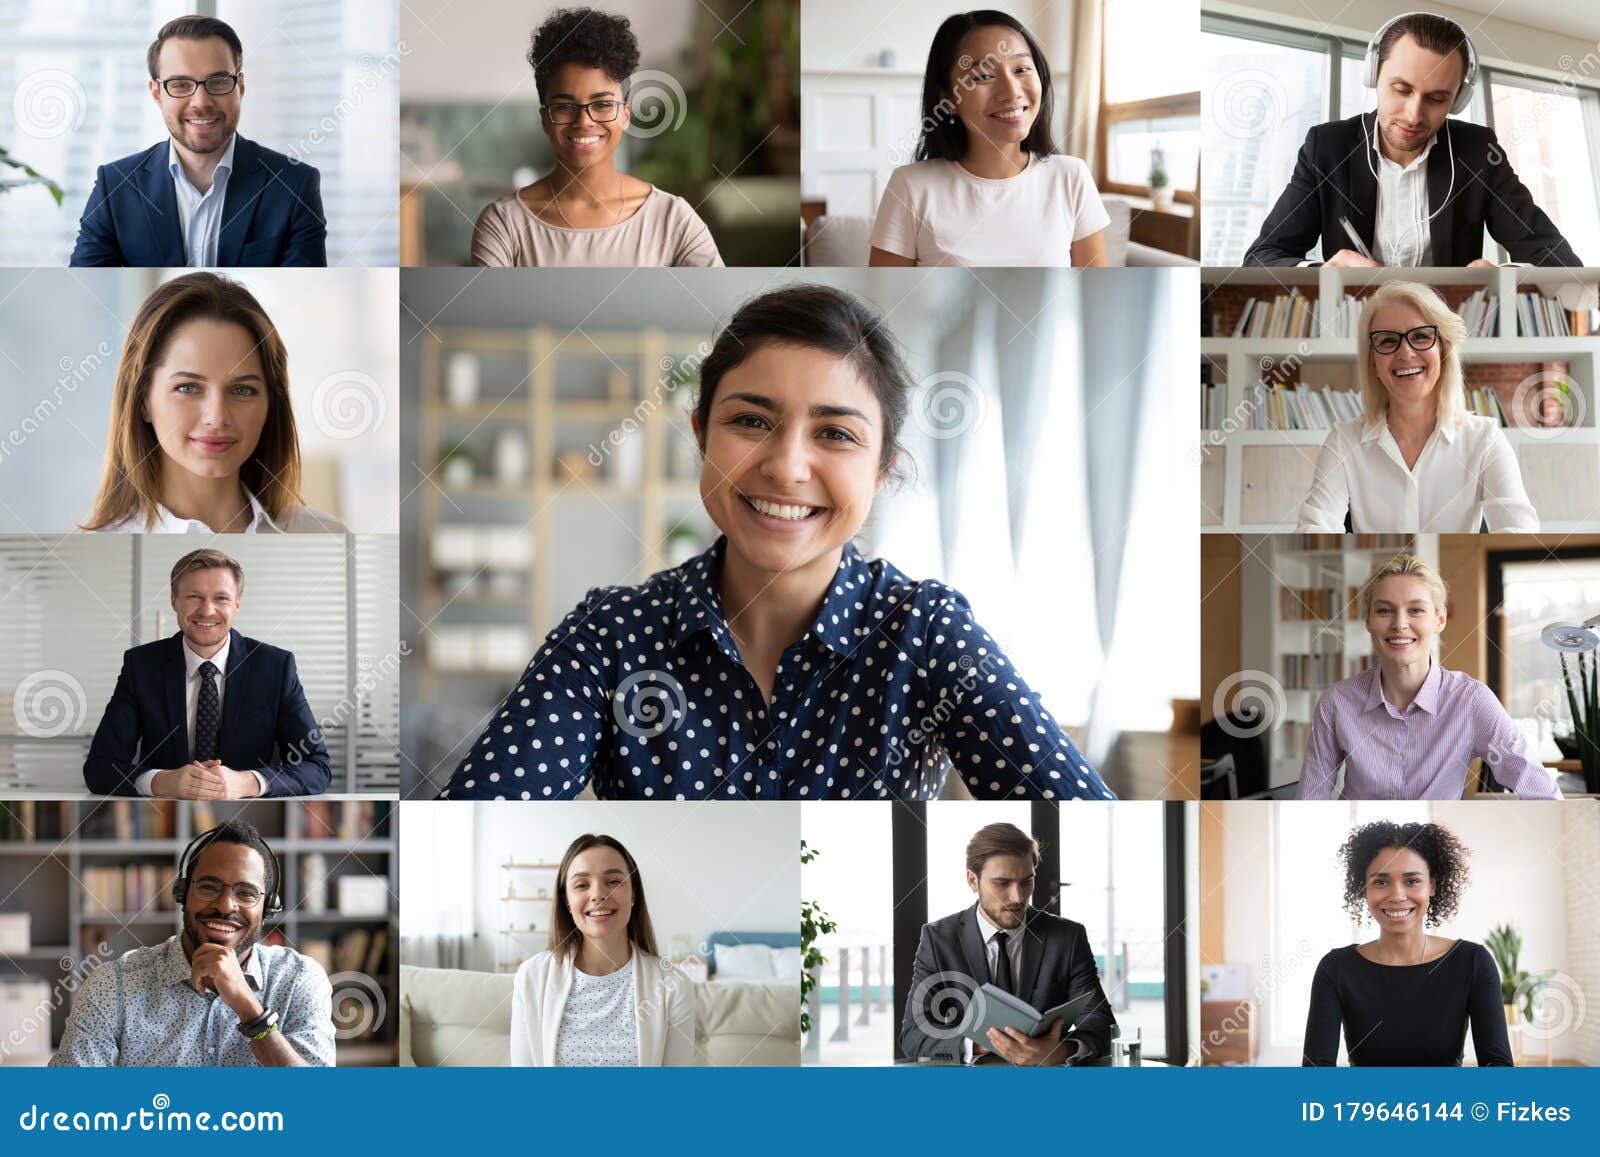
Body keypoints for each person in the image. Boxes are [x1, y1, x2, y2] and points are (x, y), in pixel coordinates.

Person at [440, 284, 1114, 801]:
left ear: (882, 469)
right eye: (753, 420)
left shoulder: (928, 634)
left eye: (836, 433)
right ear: (701, 433)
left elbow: (1082, 822)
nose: (787, 466)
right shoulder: (611, 634)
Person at [1244, 13, 1580, 267]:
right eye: (1401, 90)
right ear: (1373, 75)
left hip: (1447, 335)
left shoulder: (1478, 153)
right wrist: (1324, 272)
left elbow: (1556, 258)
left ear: (1458, 100)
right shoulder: (1328, 147)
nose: (1413, 115)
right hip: (1351, 332)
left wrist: (1505, 279)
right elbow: (1263, 257)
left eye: (1436, 99)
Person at [80, 271, 346, 534]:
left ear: (270, 405)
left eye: (242, 390)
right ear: (143, 401)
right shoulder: (93, 555)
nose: (217, 417)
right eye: (188, 388)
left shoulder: (327, 535)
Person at [51, 821, 334, 1066]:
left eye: (246, 893)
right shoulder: (114, 985)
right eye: (209, 887)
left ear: (268, 908)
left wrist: (250, 1010)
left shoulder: (299, 980)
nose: (225, 906)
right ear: (182, 894)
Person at [470, 8, 722, 267]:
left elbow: (719, 306)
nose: (584, 121)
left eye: (601, 104)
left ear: (625, 115)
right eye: (565, 106)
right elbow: (487, 309)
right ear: (545, 119)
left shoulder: (671, 218)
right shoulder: (504, 224)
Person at [70, 16, 327, 268]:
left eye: (218, 82)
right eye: (181, 85)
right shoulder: (114, 186)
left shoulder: (295, 185)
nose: (201, 102)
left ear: (241, 87)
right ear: (157, 94)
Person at [1299, 554, 1561, 800]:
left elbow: (1544, 794)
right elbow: (1310, 803)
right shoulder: (1337, 702)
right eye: (1384, 610)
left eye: (1415, 610)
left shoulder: (1471, 700)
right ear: (1368, 620)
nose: (1399, 624)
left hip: (1437, 843)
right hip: (1359, 843)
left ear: (1440, 620)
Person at [82, 549, 332, 798]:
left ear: (237, 604)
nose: (207, 610)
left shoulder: (276, 667)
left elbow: (316, 767)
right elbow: (100, 768)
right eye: (194, 596)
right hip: (167, 808)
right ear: (174, 600)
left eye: (221, 598)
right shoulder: (141, 666)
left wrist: (247, 782)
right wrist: (160, 781)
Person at [868, 10, 1109, 267]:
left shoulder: (1072, 177)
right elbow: (885, 303)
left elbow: (1096, 296)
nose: (1011, 91)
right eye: (983, 76)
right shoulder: (910, 187)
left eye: (1022, 69)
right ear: (947, 100)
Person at [1297, 281, 1537, 533]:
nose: (1405, 352)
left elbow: (1520, 531)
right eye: (1388, 341)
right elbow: (1314, 530)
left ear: (1443, 352)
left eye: (1421, 336)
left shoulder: (1485, 438)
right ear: (1372, 362)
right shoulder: (1343, 441)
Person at [899, 823, 1116, 1065]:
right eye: (1002, 883)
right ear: (973, 880)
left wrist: (1060, 1051)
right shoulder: (938, 939)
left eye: (1027, 881)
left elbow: (1102, 1023)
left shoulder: (1068, 936)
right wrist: (985, 1044)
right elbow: (913, 1035)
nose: (1018, 897)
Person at [1303, 820, 1513, 1066]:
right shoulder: (1336, 968)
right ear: (1364, 888)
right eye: (1380, 882)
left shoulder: (1473, 962)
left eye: (1412, 881)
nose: (1397, 896)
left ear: (1432, 885)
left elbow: (1498, 1070)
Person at [510, 834, 695, 1066]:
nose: (598, 894)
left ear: (633, 894)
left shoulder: (673, 986)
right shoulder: (531, 977)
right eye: (581, 885)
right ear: (566, 900)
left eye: (613, 882)